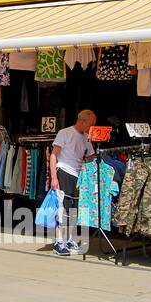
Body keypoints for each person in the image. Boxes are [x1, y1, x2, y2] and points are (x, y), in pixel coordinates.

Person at [48, 109, 96, 257]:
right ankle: (59, 242)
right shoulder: (65, 133)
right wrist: (54, 177)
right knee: (63, 208)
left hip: (78, 174)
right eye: (91, 123)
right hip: (64, 171)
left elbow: (90, 157)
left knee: (74, 208)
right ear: (82, 121)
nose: (91, 126)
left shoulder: (86, 137)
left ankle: (69, 239)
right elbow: (54, 155)